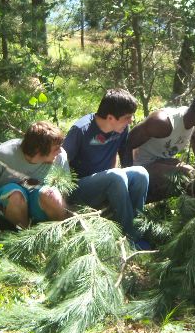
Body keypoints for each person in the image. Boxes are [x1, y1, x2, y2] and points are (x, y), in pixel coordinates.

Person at [62, 88, 149, 244]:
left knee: (141, 173)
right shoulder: (81, 130)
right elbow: (60, 164)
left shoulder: (121, 128)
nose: (130, 121)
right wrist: (62, 203)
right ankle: (131, 238)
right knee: (116, 176)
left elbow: (124, 156)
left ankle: (137, 227)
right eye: (127, 117)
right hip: (79, 188)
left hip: (107, 181)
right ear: (110, 118)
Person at [121, 90, 195, 202]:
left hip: (163, 161)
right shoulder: (162, 122)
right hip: (141, 166)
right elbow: (127, 144)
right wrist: (129, 181)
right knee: (188, 177)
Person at [0, 121, 70, 229]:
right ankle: (24, 234)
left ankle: (63, 230)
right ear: (38, 149)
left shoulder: (60, 157)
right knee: (16, 196)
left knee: (51, 194)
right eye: (56, 148)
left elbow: (64, 190)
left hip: (37, 202)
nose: (60, 151)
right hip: (7, 203)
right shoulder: (4, 154)